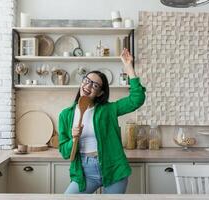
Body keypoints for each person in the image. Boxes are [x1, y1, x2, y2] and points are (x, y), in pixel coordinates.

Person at [58, 48, 146, 194]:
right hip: (84, 173)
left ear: (100, 93)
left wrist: (128, 66)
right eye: (86, 81)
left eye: (95, 85)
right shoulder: (65, 115)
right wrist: (74, 139)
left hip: (113, 169)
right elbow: (65, 152)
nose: (88, 86)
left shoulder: (108, 110)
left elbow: (137, 99)